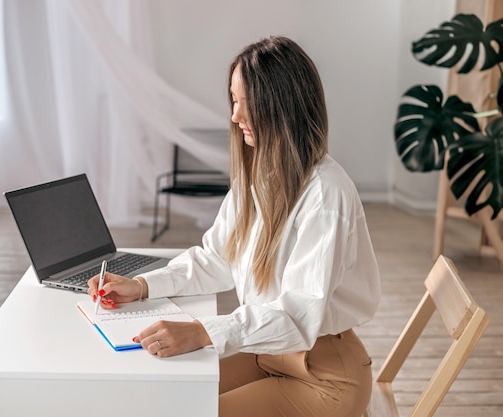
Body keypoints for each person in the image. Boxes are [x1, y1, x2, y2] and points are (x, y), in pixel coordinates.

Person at [88, 36, 381, 417]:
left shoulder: (326, 195)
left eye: (247, 103)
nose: (234, 116)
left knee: (192, 410)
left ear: (282, 106)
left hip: (323, 375)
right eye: (234, 100)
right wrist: (143, 286)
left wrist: (202, 331)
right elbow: (217, 258)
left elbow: (296, 316)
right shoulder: (261, 175)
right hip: (268, 353)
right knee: (162, 394)